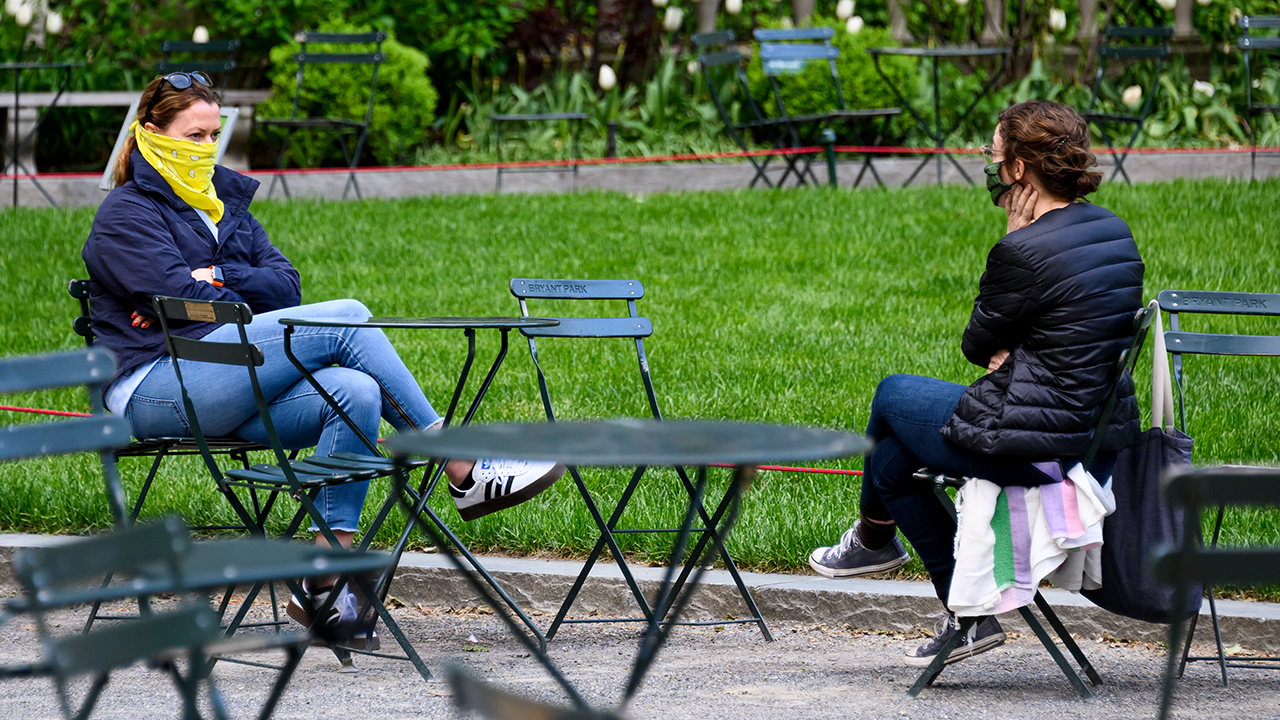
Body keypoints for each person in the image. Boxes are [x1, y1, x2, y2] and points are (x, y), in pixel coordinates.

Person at [81, 72, 565, 637]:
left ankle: (325, 588)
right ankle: (461, 467)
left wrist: (218, 275)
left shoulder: (225, 206)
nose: (207, 148)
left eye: (214, 135)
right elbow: (183, 302)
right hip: (156, 388)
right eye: (194, 136)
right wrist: (223, 297)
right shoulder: (126, 214)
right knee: (350, 318)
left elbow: (285, 288)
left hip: (231, 379)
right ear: (149, 134)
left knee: (355, 391)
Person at [808, 101, 1144, 667]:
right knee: (891, 462)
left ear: (1017, 168)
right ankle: (962, 617)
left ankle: (872, 542)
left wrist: (1014, 240)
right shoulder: (1112, 229)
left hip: (1036, 449)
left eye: (993, 153)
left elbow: (975, 343)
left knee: (891, 393)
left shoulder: (1024, 248)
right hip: (1092, 437)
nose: (987, 163)